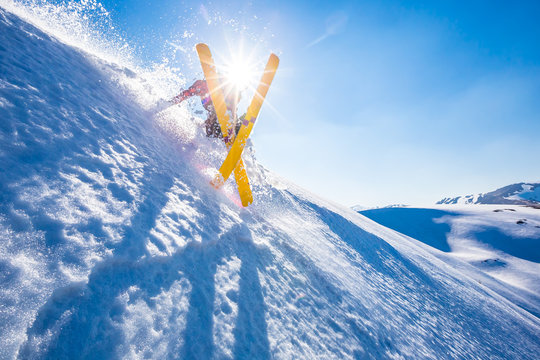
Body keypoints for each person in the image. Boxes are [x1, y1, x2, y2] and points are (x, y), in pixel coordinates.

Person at [172, 79, 242, 138]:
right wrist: (174, 101)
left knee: (217, 119)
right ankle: (224, 136)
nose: (197, 94)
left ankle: (235, 128)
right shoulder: (203, 97)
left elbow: (188, 93)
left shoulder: (206, 86)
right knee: (210, 128)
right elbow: (187, 94)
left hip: (223, 105)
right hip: (217, 111)